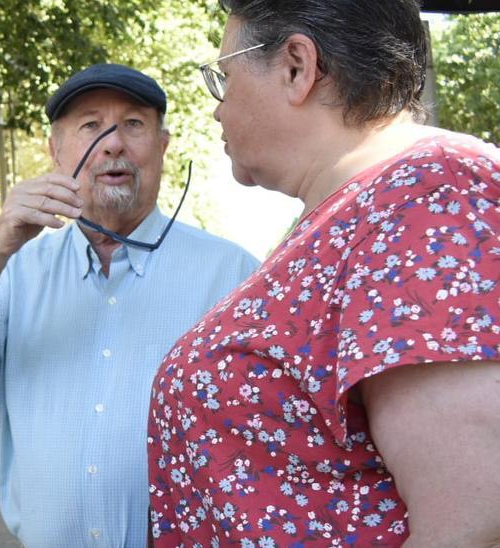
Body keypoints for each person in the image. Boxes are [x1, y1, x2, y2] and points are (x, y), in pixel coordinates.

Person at [147, 1, 500, 545]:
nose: (217, 109)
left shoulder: (429, 193)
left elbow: (475, 520)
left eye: (224, 76)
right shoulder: (357, 211)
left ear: (296, 66)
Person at [0, 64, 259, 546]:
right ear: (56, 153)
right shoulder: (16, 270)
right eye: (90, 125)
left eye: (133, 124)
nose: (113, 142)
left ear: (162, 146)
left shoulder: (234, 277)